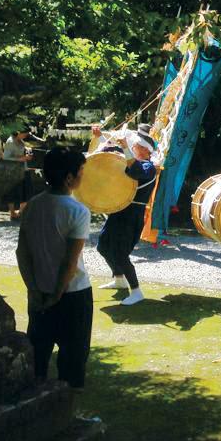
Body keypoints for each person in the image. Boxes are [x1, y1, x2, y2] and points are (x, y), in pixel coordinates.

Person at [15, 148, 92, 396]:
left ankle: (36, 413)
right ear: (69, 178)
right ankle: (67, 419)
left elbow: (22, 253)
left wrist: (34, 289)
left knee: (38, 355)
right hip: (72, 295)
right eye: (81, 172)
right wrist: (57, 294)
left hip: (39, 292)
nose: (83, 176)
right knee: (73, 361)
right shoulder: (77, 211)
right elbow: (69, 263)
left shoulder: (32, 206)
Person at [92, 124, 156, 306]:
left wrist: (126, 148)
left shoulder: (148, 167)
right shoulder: (132, 159)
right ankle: (119, 279)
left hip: (132, 214)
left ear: (144, 150)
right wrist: (100, 137)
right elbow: (112, 157)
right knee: (103, 246)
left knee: (120, 253)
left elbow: (134, 170)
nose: (133, 147)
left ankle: (136, 291)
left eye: (136, 146)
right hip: (120, 210)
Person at [2, 129, 33, 219]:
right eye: (24, 134)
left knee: (27, 190)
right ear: (19, 132)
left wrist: (27, 151)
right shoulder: (10, 141)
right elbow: (6, 157)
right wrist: (21, 158)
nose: (25, 136)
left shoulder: (21, 141)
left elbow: (22, 153)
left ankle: (21, 211)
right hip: (13, 170)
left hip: (23, 169)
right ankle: (12, 212)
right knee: (12, 191)